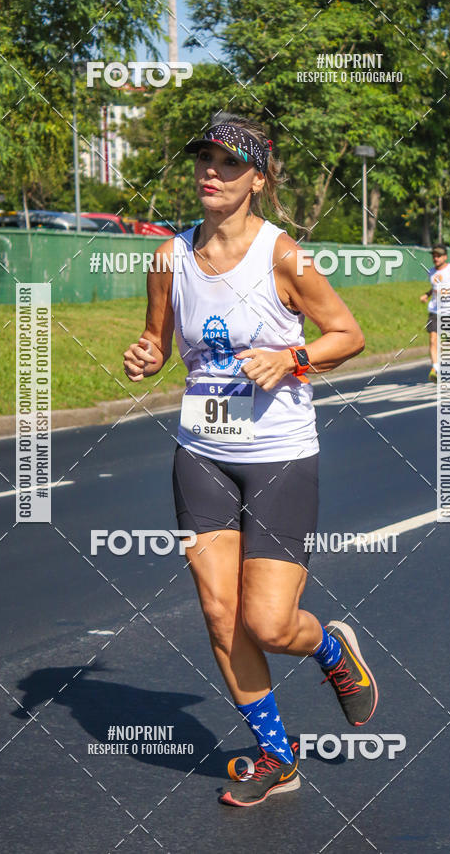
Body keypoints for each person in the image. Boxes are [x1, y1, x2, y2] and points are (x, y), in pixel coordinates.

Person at [123, 112, 378, 807]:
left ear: (257, 180)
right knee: (218, 613)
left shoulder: (282, 256)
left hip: (279, 455)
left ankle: (329, 650)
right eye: (204, 158)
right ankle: (276, 755)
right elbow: (156, 340)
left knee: (268, 622)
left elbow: (347, 334)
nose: (211, 171)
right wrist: (145, 356)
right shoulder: (169, 256)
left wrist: (291, 357)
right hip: (201, 451)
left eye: (229, 163)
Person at [419, 244, 450, 382]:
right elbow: (435, 288)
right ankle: (436, 369)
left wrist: (449, 291)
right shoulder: (431, 272)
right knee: (433, 339)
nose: (436, 258)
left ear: (445, 257)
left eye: (438, 255)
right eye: (434, 255)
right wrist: (427, 294)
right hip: (435, 310)